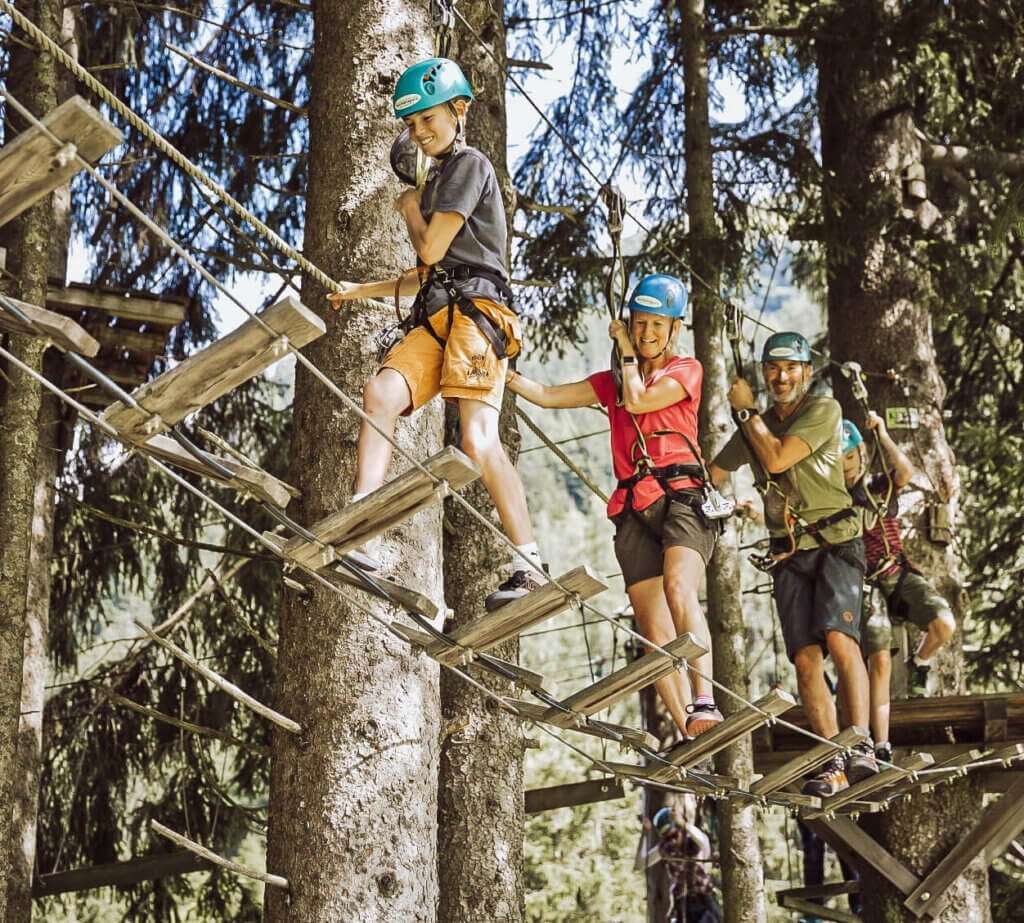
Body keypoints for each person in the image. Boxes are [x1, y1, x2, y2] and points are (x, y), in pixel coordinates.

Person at [328, 57, 546, 611]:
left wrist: (407, 209)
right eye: (413, 125)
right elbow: (428, 271)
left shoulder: (469, 165)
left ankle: (529, 560)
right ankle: (365, 526)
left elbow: (430, 248)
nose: (421, 133)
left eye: (429, 120)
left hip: (478, 315)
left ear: (460, 110)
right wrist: (361, 291)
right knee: (380, 392)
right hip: (440, 313)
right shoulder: (440, 182)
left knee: (477, 439)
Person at [506, 274, 723, 739]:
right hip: (633, 506)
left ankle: (705, 698)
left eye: (656, 326)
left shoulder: (686, 370)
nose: (647, 334)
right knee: (649, 624)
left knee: (679, 587)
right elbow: (547, 396)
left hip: (682, 497)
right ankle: (689, 723)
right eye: (639, 324)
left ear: (674, 329)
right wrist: (502, 375)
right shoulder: (612, 383)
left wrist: (623, 344)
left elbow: (642, 401)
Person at [708, 331, 877, 797]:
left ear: (805, 371)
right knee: (805, 660)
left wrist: (745, 413)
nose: (781, 378)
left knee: (841, 640)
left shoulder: (823, 411)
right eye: (773, 370)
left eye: (791, 369)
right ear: (764, 373)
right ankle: (831, 761)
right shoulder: (756, 427)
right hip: (789, 553)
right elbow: (714, 471)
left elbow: (779, 457)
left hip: (836, 544)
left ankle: (859, 743)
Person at [841, 414, 956, 702]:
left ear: (861, 454)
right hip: (865, 586)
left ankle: (919, 663)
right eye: (837, 458)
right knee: (879, 656)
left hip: (897, 572)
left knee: (943, 623)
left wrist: (882, 434)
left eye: (850, 456)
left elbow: (905, 471)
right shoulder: (832, 500)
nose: (845, 464)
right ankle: (880, 714)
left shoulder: (878, 485)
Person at [637, 806, 721, 923]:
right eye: (667, 837)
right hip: (682, 901)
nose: (672, 840)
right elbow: (640, 863)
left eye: (674, 835)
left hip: (703, 896)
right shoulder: (665, 848)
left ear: (680, 829)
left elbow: (702, 841)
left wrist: (683, 824)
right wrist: (644, 834)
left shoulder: (692, 841)